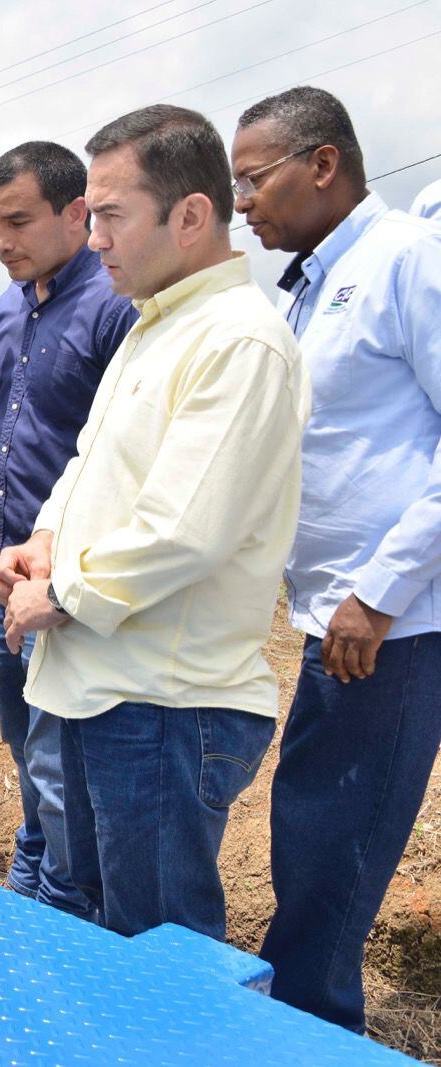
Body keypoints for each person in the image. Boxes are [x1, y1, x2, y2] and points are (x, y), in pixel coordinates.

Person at [0, 104, 309, 942]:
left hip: (166, 704)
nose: (93, 237)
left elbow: (183, 528)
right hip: (109, 688)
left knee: (155, 951)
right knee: (100, 934)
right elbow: (89, 466)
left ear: (192, 215)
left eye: (110, 215)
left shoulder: (238, 341)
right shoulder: (155, 326)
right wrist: (44, 539)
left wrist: (56, 591)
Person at [231, 86, 441, 1032]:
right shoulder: (313, 284)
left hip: (391, 624)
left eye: (254, 178)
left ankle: (308, 1032)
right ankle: (302, 1018)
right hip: (338, 616)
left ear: (323, 164)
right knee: (309, 829)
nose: (243, 202)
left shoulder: (406, 261)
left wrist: (380, 589)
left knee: (333, 849)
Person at [0, 141, 136, 918]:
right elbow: (32, 416)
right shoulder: (16, 302)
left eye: (17, 221)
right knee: (26, 743)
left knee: (63, 757)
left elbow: (119, 446)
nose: (2, 241)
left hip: (70, 575)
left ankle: (63, 900)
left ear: (76, 212)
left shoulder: (114, 307)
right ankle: (35, 863)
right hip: (8, 567)